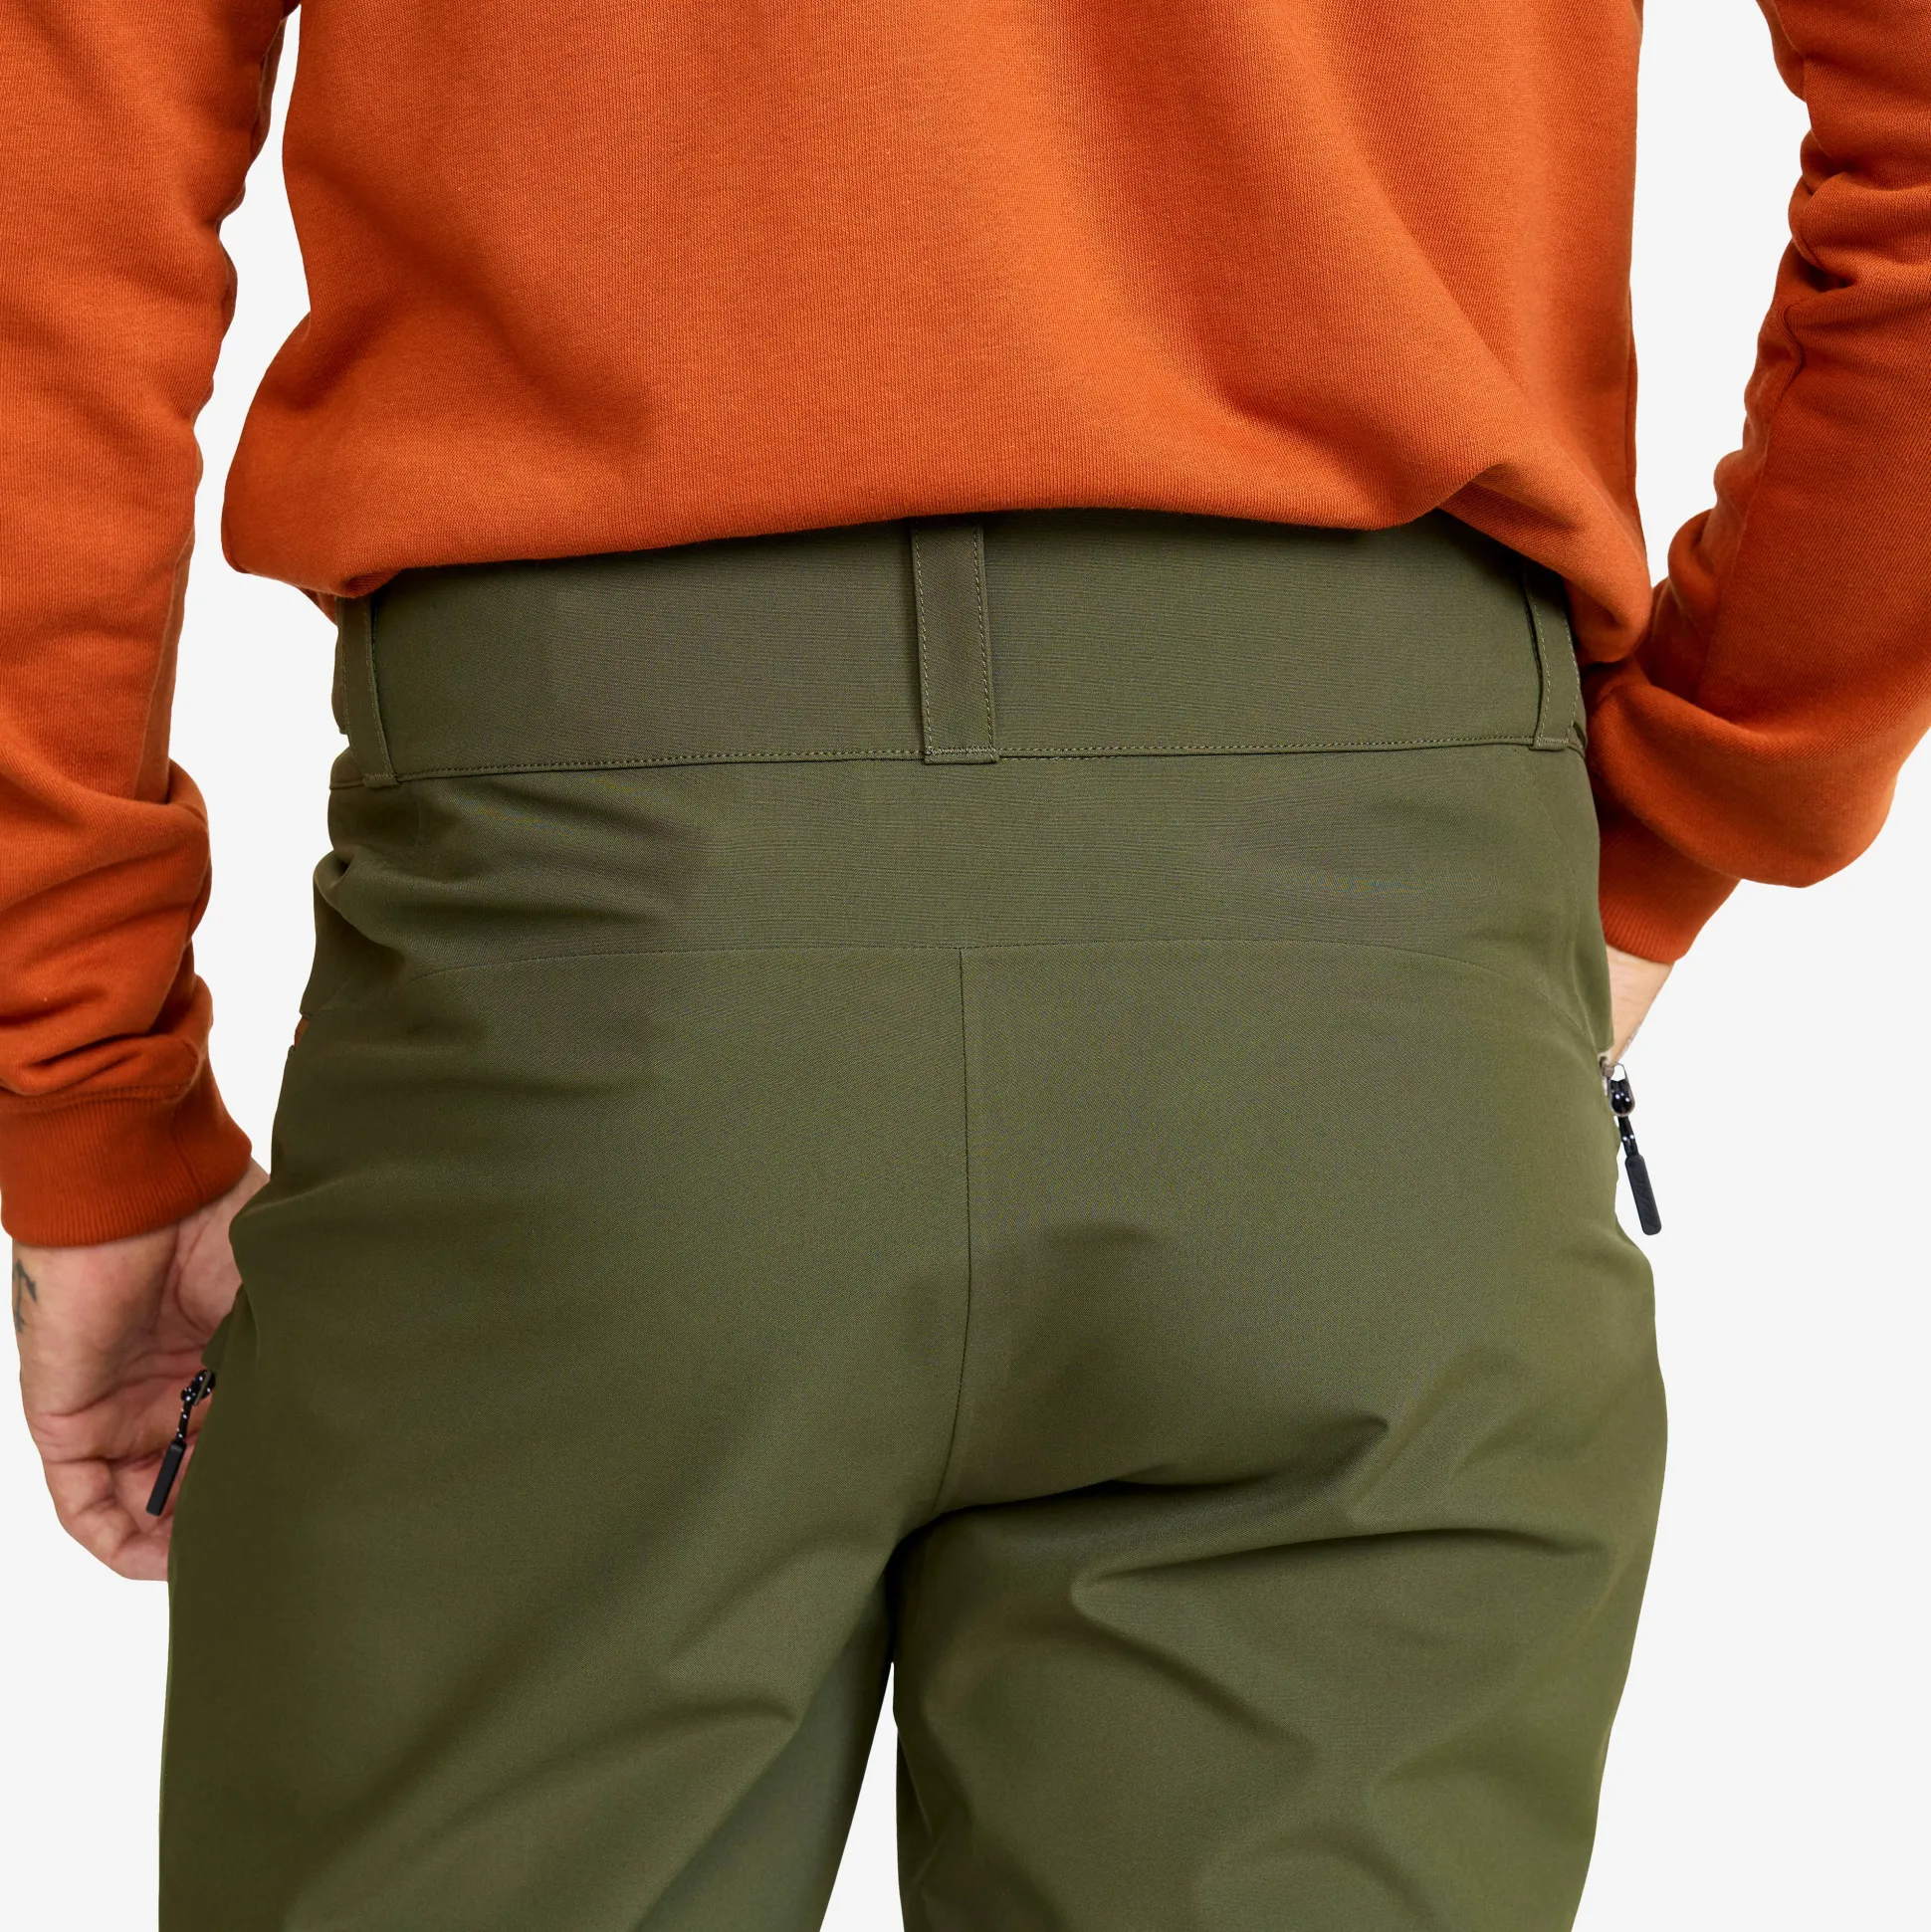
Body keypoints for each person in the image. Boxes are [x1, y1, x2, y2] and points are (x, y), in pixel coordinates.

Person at [2, 3, 1923, 1928]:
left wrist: (85, 1091)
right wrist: (1681, 816)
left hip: (593, 985)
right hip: (1369, 1011)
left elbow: (51, 202)